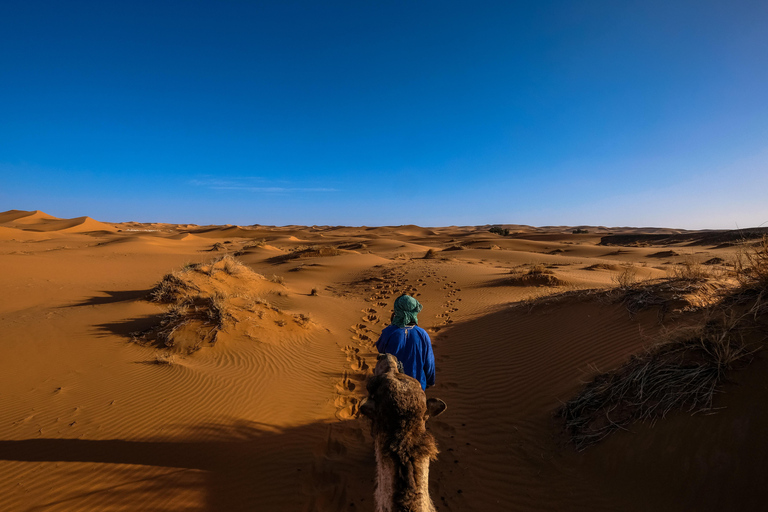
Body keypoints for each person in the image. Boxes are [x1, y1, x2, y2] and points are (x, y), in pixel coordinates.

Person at [376, 294, 436, 391]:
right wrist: (430, 381)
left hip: (392, 386)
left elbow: (380, 350)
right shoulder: (422, 334)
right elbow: (429, 363)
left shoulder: (388, 332)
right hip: (417, 386)